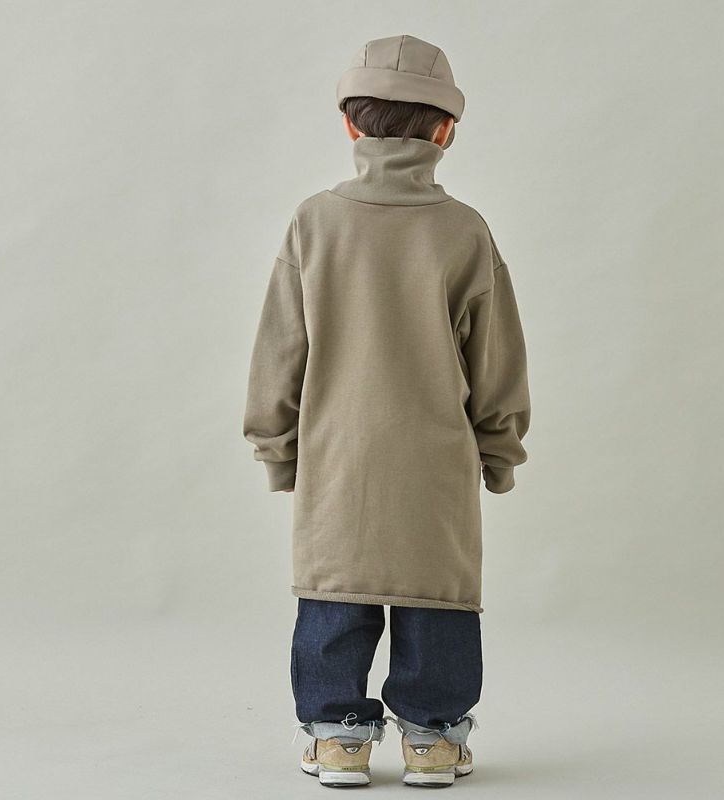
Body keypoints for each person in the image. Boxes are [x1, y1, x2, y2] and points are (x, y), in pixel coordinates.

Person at [242, 33, 531, 788]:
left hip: (335, 453)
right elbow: (496, 359)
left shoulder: (314, 222)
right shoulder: (464, 229)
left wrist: (277, 448)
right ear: (446, 131)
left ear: (349, 124)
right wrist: (499, 453)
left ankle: (339, 737)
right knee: (436, 595)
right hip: (436, 460)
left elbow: (280, 349)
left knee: (336, 589)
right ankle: (433, 738)